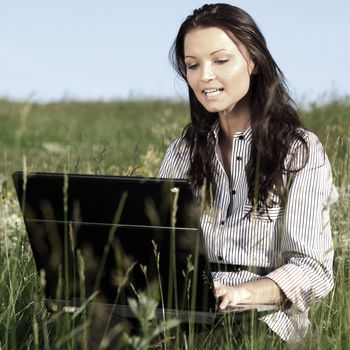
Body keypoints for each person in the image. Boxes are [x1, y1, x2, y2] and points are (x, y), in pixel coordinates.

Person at [158, 3, 338, 343]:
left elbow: (313, 270)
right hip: (186, 312)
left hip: (265, 319)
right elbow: (155, 245)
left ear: (253, 61)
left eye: (220, 60)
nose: (204, 76)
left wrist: (242, 293)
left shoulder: (299, 151)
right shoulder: (182, 152)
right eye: (192, 65)